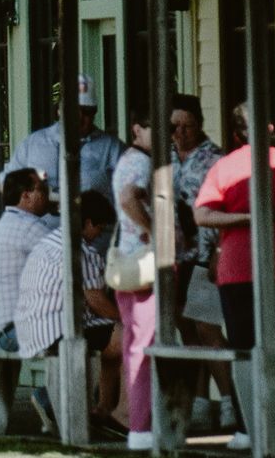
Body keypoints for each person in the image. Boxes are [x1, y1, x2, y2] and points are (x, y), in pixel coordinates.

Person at [194, 104, 275, 452]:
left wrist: (241, 218)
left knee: (244, 347)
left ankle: (247, 427)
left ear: (236, 133)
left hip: (240, 268)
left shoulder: (224, 167)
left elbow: (202, 214)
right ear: (270, 128)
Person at [15, 190, 123, 436]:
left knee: (111, 340)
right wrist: (125, 317)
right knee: (126, 337)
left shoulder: (49, 241)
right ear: (88, 222)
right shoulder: (83, 252)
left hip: (32, 325)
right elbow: (96, 300)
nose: (99, 235)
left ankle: (101, 407)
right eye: (99, 228)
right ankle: (116, 412)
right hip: (59, 328)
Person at [170, 95, 237, 433]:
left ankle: (230, 400)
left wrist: (219, 252)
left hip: (206, 253)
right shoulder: (165, 157)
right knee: (185, 327)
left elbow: (227, 207)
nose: (181, 133)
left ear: (199, 124)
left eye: (188, 126)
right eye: (175, 126)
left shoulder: (216, 159)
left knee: (207, 327)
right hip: (175, 256)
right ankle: (199, 401)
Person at [110, 113, 159, 451]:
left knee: (133, 342)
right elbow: (129, 198)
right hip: (143, 263)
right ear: (137, 129)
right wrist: (155, 230)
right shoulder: (141, 162)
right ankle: (141, 424)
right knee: (143, 344)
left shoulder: (126, 160)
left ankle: (136, 419)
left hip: (126, 263)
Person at [0, 74, 125, 199]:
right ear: (59, 110)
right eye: (73, 110)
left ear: (94, 113)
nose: (79, 118)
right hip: (42, 212)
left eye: (86, 112)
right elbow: (5, 184)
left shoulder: (112, 148)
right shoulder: (33, 144)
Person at [0, 167, 54, 350]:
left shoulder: (9, 221)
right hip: (18, 331)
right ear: (26, 196)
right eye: (42, 189)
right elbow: (70, 264)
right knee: (100, 335)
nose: (48, 194)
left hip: (6, 331)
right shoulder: (28, 226)